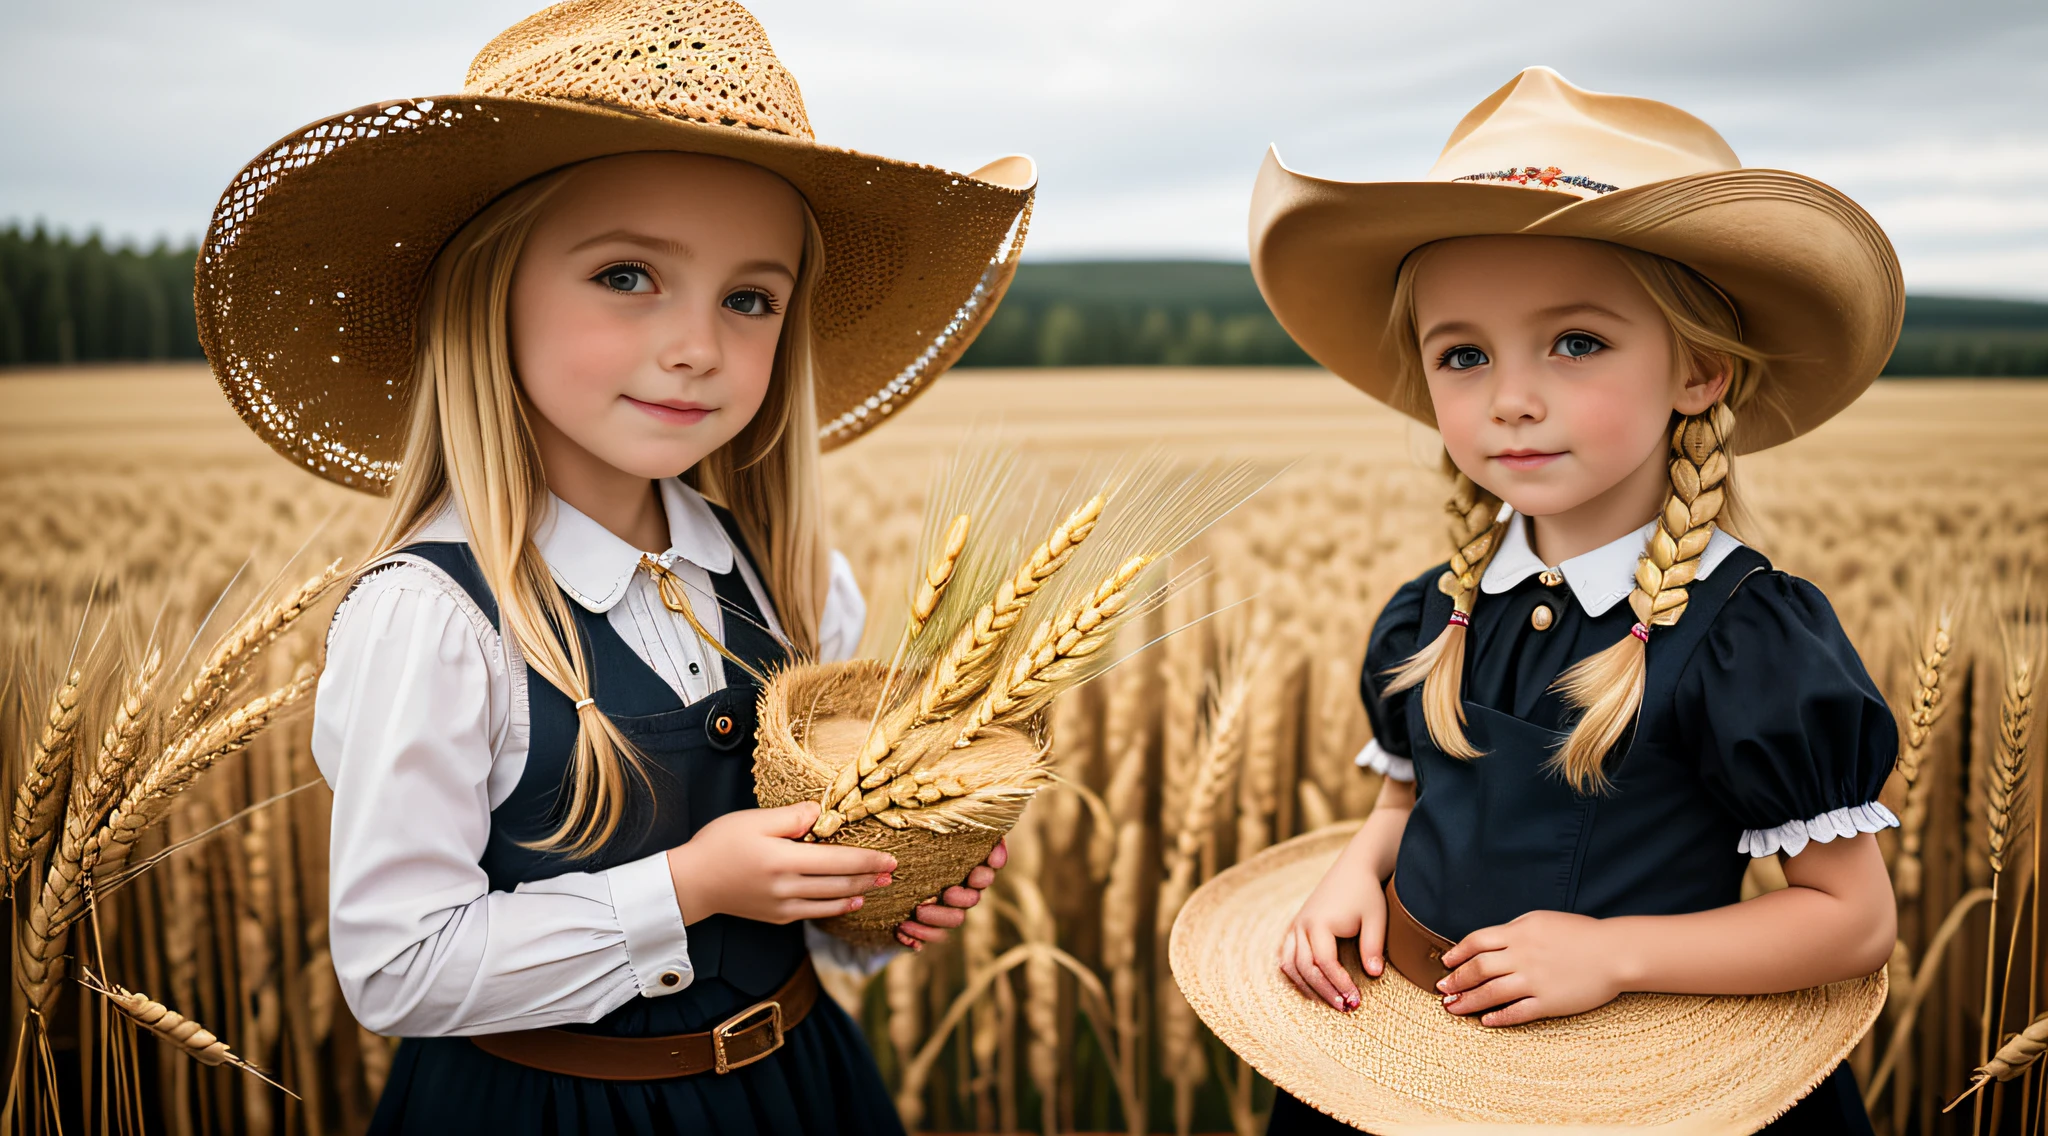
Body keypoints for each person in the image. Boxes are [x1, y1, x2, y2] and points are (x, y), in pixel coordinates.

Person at [193, 2, 1036, 1131]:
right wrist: (687, 887)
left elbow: (813, 915)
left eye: (749, 298)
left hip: (799, 1087)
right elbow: (396, 969)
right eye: (628, 275)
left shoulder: (783, 574)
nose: (696, 344)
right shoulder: (434, 618)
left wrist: (871, 895)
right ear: (488, 291)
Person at [1180, 67, 1902, 1133]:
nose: (1510, 397)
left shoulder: (1745, 636)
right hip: (1408, 1046)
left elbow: (1850, 920)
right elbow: (1409, 794)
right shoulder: (1433, 609)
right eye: (1462, 353)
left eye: (1575, 342)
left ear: (1698, 368)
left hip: (1633, 1068)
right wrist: (1354, 872)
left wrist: (1613, 953)